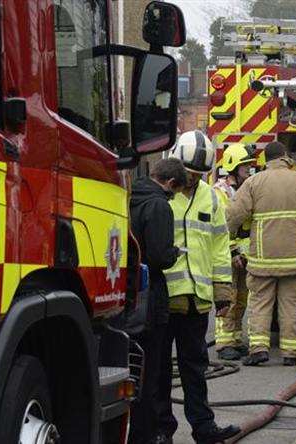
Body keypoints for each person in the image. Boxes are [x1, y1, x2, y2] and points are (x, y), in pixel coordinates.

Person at [155, 130, 240, 444]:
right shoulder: (161, 193)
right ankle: (162, 429)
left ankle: (203, 429)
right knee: (160, 371)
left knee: (195, 369)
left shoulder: (210, 196)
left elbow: (220, 244)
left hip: (196, 300)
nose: (191, 179)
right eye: (187, 172)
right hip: (164, 298)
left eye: (197, 174)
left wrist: (222, 288)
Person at [226, 141, 296, 366]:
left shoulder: (253, 182)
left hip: (263, 259)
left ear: (266, 160)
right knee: (292, 305)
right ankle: (291, 353)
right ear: (285, 157)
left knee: (260, 303)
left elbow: (233, 215)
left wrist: (228, 242)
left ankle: (258, 350)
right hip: (295, 259)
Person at [128, 158, 187, 444]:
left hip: (126, 296)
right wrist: (175, 251)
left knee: (133, 368)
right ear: (171, 183)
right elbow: (160, 255)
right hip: (151, 300)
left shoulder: (129, 195)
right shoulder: (159, 205)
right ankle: (148, 434)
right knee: (152, 372)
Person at [213, 143, 257, 361]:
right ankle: (224, 343)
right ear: (233, 167)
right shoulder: (220, 193)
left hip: (244, 256)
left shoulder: (245, 191)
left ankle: (235, 339)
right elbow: (221, 227)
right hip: (227, 255)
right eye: (245, 168)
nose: (249, 172)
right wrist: (232, 253)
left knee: (241, 299)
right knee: (227, 298)